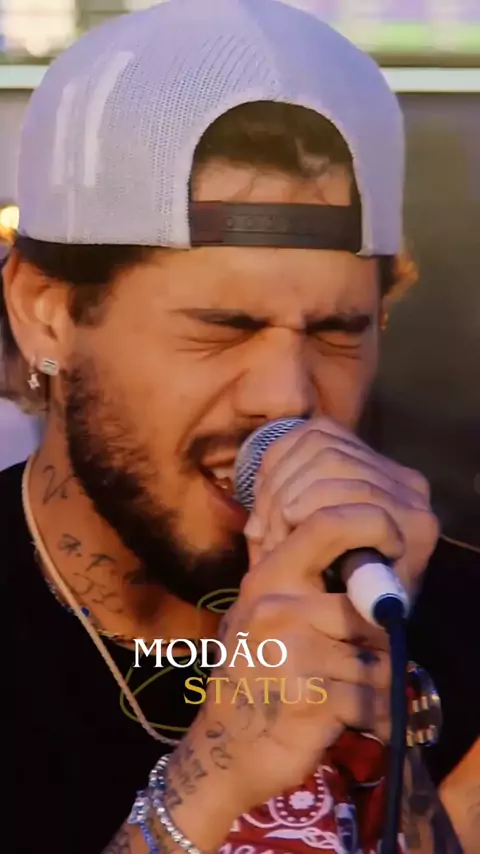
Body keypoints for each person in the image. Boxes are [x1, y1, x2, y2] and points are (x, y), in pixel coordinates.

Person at [1, 1, 476, 852]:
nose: (285, 396)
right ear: (48, 313)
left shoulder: (443, 616)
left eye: (338, 332)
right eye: (221, 328)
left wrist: (389, 753)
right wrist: (216, 780)